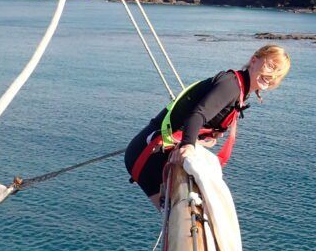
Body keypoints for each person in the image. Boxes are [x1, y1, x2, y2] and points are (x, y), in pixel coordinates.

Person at [124, 44, 291, 208]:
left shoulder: (240, 88)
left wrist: (204, 137)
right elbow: (197, 115)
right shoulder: (231, 85)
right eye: (271, 66)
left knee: (180, 214)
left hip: (156, 150)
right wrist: (189, 145)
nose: (272, 76)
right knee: (179, 217)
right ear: (254, 60)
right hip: (149, 153)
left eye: (279, 74)